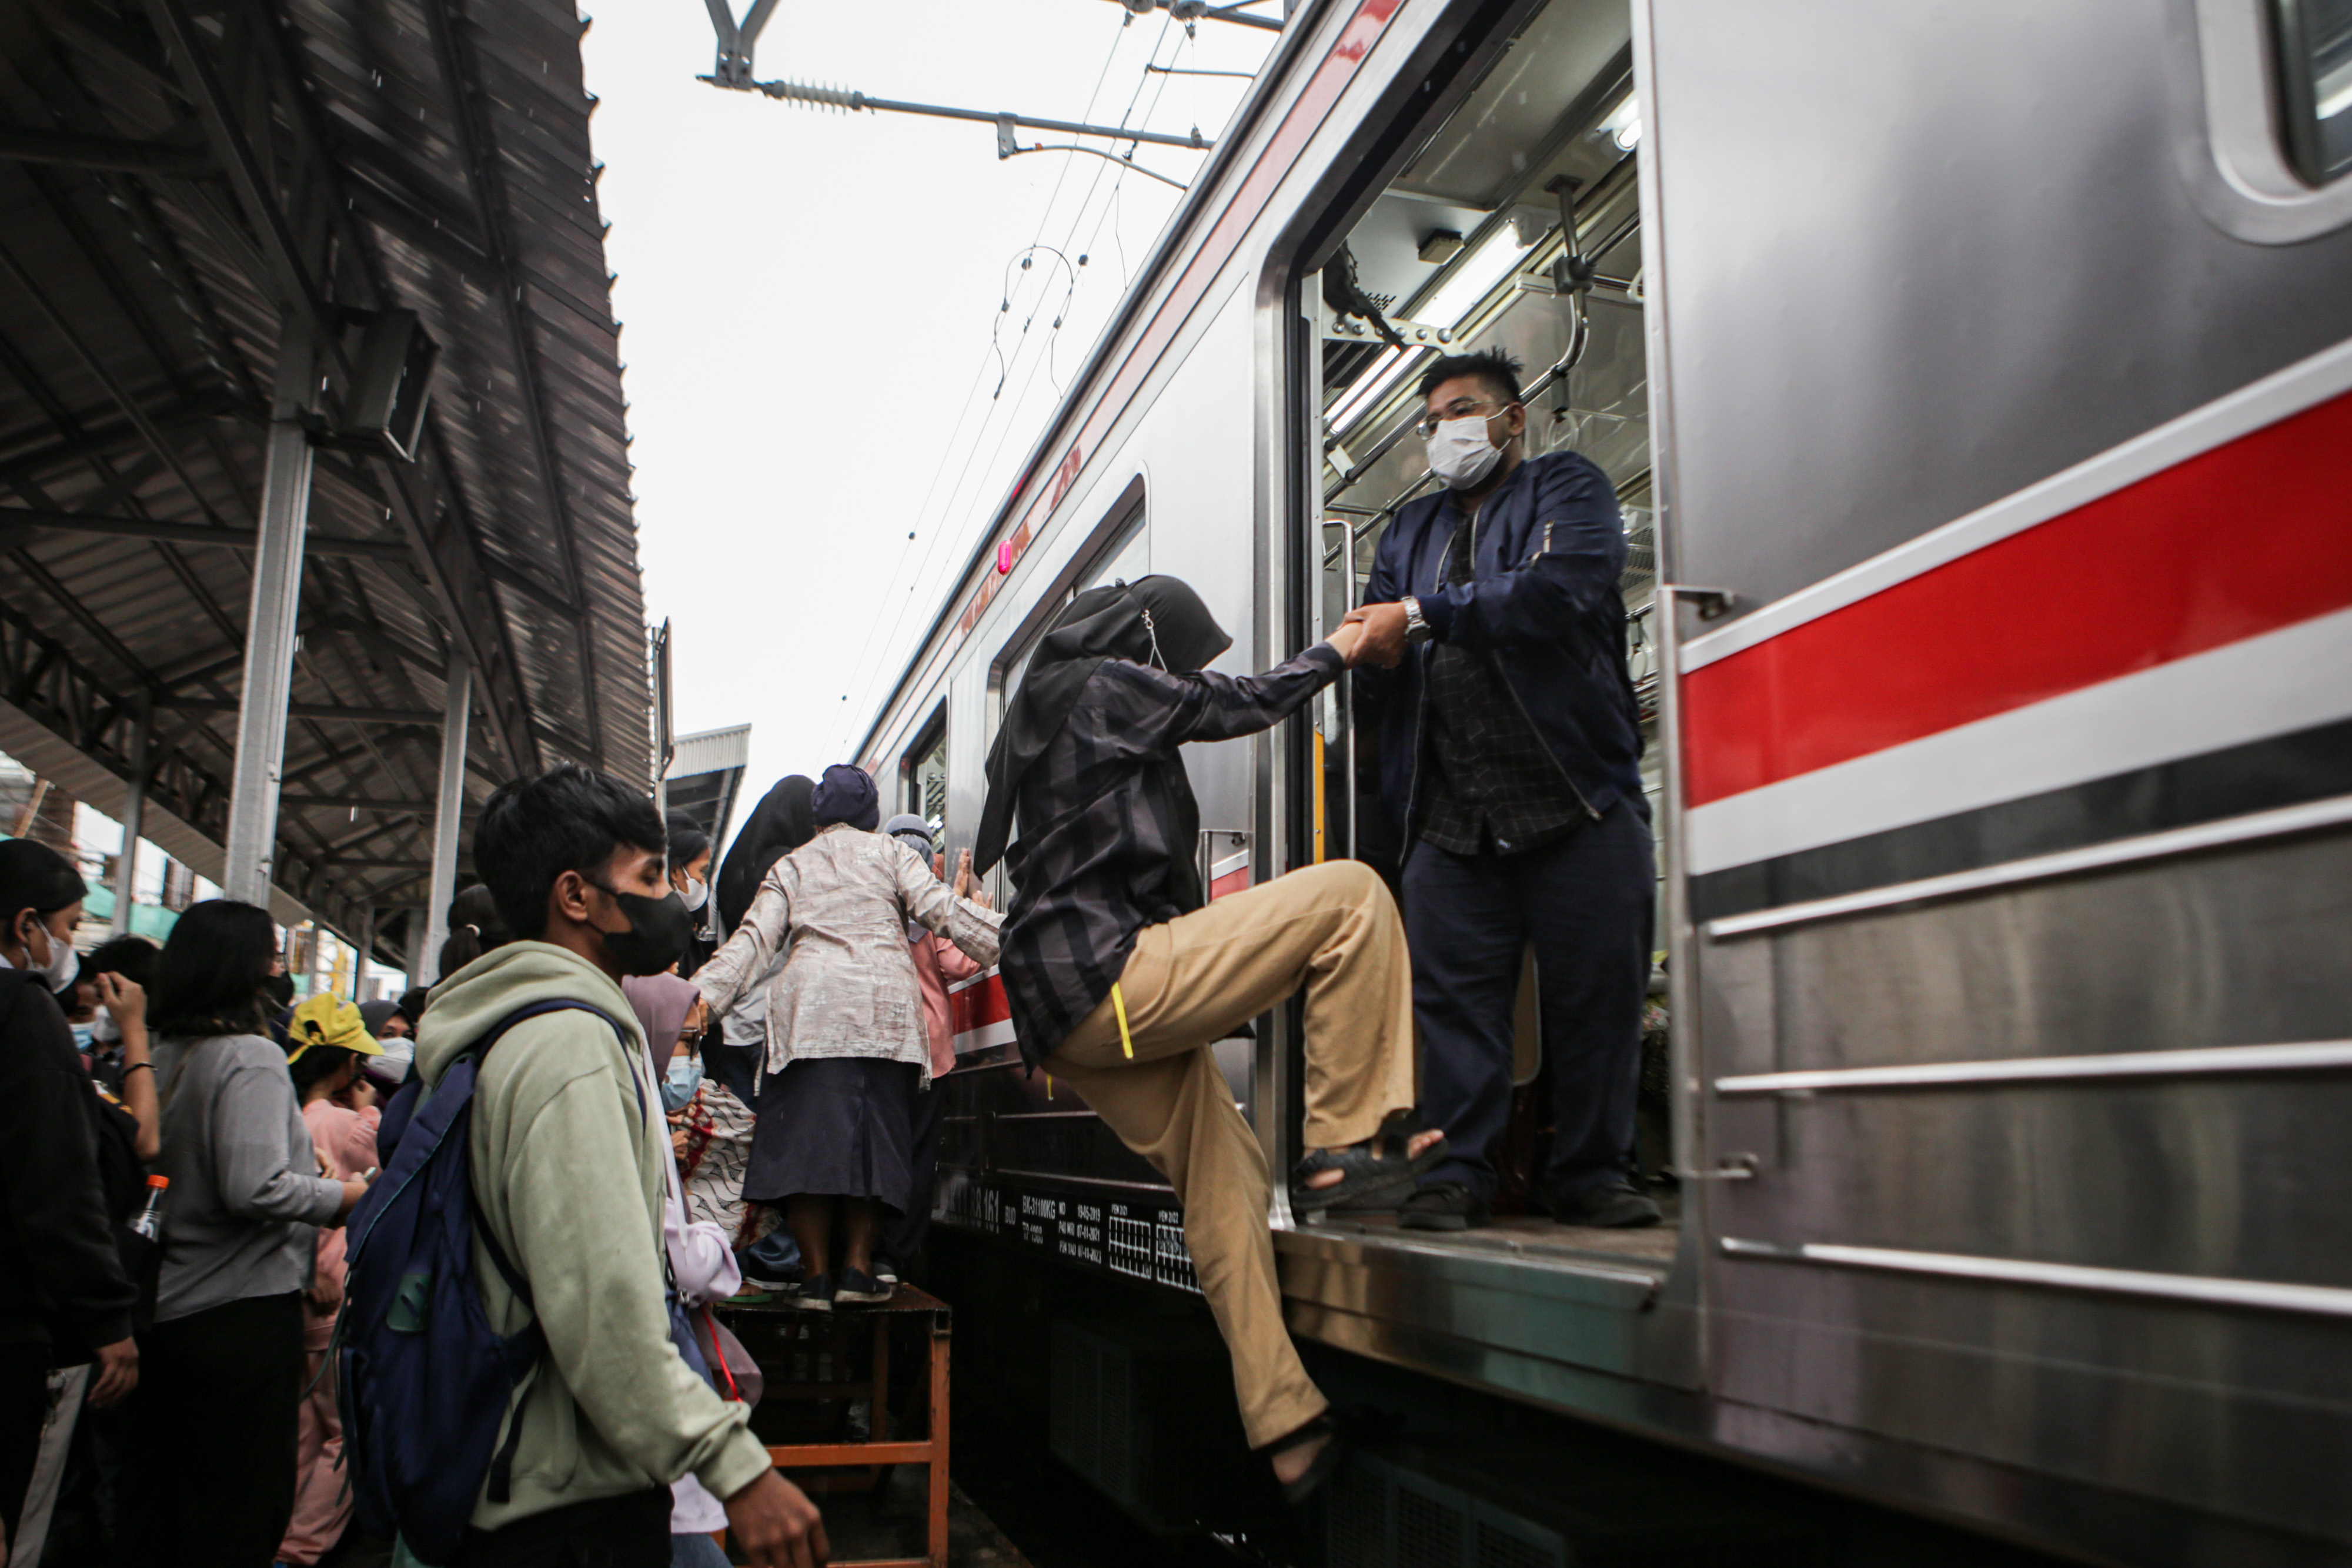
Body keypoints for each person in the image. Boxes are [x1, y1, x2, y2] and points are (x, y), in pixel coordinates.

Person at [973, 574, 1439, 1500]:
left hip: (1065, 1011)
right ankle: (1347, 1144)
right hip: (1107, 976)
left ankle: (1287, 1424)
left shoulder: (1064, 705)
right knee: (1351, 897)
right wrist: (1341, 649)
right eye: (1179, 656)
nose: (1180, 674)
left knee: (1223, 1171)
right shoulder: (1104, 681)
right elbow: (1239, 703)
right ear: (1147, 638)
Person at [417, 763, 823, 1568]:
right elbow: (603, 1304)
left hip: (540, 1473)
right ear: (576, 896)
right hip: (563, 1506)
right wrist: (738, 1468)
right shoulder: (568, 1048)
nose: (672, 901)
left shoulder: (528, 1029)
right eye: (648, 877)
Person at [1344, 348, 1659, 1232]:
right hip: (1450, 818)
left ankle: (1591, 1173)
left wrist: (1421, 615)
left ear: (1511, 418)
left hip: (1577, 798)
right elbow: (1372, 646)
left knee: (1597, 998)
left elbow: (1558, 590)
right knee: (1455, 1011)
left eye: (1462, 411)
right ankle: (1455, 1174)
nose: (1445, 431)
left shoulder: (1568, 488)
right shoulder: (1407, 532)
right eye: (1432, 421)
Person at [691, 766, 999, 1313]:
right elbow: (942, 910)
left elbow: (753, 943)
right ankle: (857, 1270)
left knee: (806, 1155)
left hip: (809, 1021)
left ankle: (814, 1280)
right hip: (884, 1023)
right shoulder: (892, 854)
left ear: (818, 819)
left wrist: (695, 1001)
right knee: (875, 1149)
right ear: (872, 817)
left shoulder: (793, 864)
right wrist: (1012, 938)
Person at [117, 899, 368, 1568]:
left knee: (166, 1502)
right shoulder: (250, 1056)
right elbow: (255, 1187)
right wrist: (346, 1197)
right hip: (239, 1315)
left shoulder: (163, 1054)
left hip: (167, 1309)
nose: (279, 969)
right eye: (272, 954)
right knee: (240, 1507)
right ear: (247, 967)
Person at [0, 838, 139, 1552]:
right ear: (26, 925)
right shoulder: (21, 1011)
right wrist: (107, 1318)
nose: (68, 949)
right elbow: (56, 1179)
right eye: (67, 927)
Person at [623, 971, 744, 1568]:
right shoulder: (634, 1124)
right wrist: (715, 1241)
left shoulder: (641, 1107)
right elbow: (688, 1268)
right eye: (686, 1042)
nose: (692, 1061)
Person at [277, 994, 386, 1568]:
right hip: (335, 1299)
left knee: (303, 1430)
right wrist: (369, 1109)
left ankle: (282, 1540)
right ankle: (300, 1552)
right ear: (348, 1065)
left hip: (293, 1294)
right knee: (346, 1434)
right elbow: (388, 1159)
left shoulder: (283, 1117)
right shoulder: (347, 1124)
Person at [707, 776, 818, 1288]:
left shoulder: (730, 869)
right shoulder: (793, 865)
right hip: (779, 1027)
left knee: (738, 1145)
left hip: (733, 1027)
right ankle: (779, 1254)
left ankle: (735, 1254)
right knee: (782, 1143)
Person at [874, 818, 988, 1283]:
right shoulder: (930, 908)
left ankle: (865, 1247)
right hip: (928, 1054)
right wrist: (975, 911)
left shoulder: (874, 906)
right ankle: (893, 1256)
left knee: (880, 1149)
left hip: (879, 1051)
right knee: (919, 1154)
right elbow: (961, 963)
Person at [666, 811, 717, 977]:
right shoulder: (666, 934)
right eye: (702, 871)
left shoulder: (684, 928)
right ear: (675, 871)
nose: (703, 882)